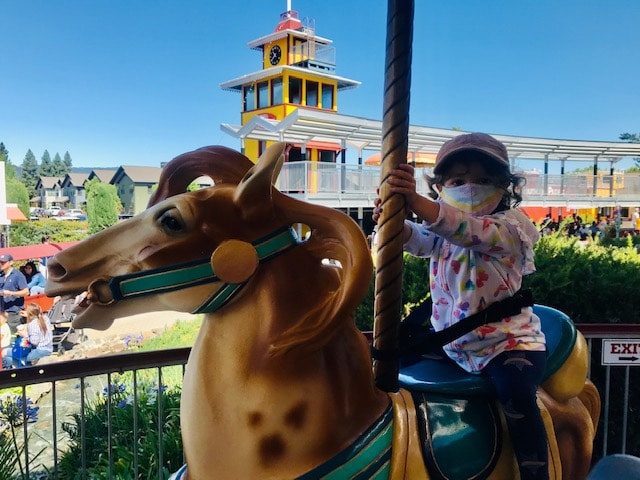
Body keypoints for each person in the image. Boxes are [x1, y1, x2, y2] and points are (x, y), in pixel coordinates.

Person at [375, 132, 548, 480]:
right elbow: (415, 239)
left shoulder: (513, 228)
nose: (470, 187)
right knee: (383, 362)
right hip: (453, 343)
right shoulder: (441, 230)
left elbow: (471, 231)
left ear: (504, 187)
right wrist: (391, 218)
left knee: (516, 397)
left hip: (507, 343)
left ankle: (535, 473)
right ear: (441, 188)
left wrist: (418, 203)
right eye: (458, 180)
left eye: (483, 180)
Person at [0, 253, 30, 335]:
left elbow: (26, 292)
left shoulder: (18, 275)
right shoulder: (1, 275)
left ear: (11, 262)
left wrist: (11, 293)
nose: (1, 264)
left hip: (14, 311)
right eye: (0, 262)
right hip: (2, 311)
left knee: (15, 335)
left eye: (3, 262)